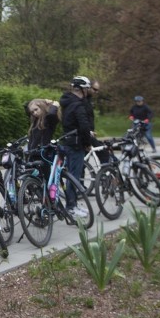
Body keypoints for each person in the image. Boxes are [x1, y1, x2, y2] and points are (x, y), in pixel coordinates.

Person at [59, 76, 94, 219]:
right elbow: (84, 126)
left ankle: (72, 204)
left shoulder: (66, 102)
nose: (88, 91)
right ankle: (71, 207)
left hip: (67, 140)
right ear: (82, 89)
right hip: (76, 144)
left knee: (69, 175)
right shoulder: (78, 105)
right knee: (74, 176)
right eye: (87, 89)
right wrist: (87, 143)